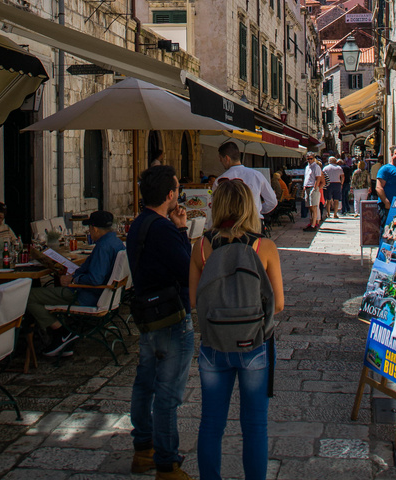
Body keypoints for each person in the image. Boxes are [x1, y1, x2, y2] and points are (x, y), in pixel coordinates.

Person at [189, 179, 284, 480]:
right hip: (254, 344)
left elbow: (194, 301)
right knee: (255, 425)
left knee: (211, 423)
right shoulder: (264, 246)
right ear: (248, 207)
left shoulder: (201, 247)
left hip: (214, 345)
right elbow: (278, 304)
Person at [127, 166, 194, 480]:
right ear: (170, 194)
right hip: (171, 316)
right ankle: (167, 464)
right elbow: (186, 271)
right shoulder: (163, 228)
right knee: (168, 392)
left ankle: (143, 449)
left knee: (145, 382)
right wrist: (182, 230)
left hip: (147, 314)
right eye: (177, 188)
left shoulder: (139, 224)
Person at [26, 210, 125, 357]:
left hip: (86, 295)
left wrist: (74, 280)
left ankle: (62, 332)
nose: (89, 232)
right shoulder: (116, 242)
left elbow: (95, 279)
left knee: (30, 297)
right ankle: (62, 332)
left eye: (90, 229)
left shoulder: (103, 247)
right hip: (105, 295)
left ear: (95, 229)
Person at [214, 141, 277, 218]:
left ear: (227, 158)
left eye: (220, 159)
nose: (220, 162)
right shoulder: (257, 175)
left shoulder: (220, 180)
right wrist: (257, 211)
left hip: (231, 223)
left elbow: (215, 206)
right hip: (254, 221)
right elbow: (272, 201)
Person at [376, 145, 396, 225]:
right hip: (387, 208)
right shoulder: (385, 169)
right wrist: (386, 203)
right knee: (386, 230)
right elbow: (378, 187)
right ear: (392, 155)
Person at [302, 152, 323, 231]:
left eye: (311, 159)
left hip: (312, 188)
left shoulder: (316, 167)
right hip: (307, 187)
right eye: (308, 159)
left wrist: (315, 187)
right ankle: (311, 223)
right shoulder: (307, 167)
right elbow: (306, 177)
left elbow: (318, 178)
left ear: (314, 158)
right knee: (310, 207)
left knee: (314, 206)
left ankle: (314, 225)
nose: (309, 160)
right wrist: (304, 186)